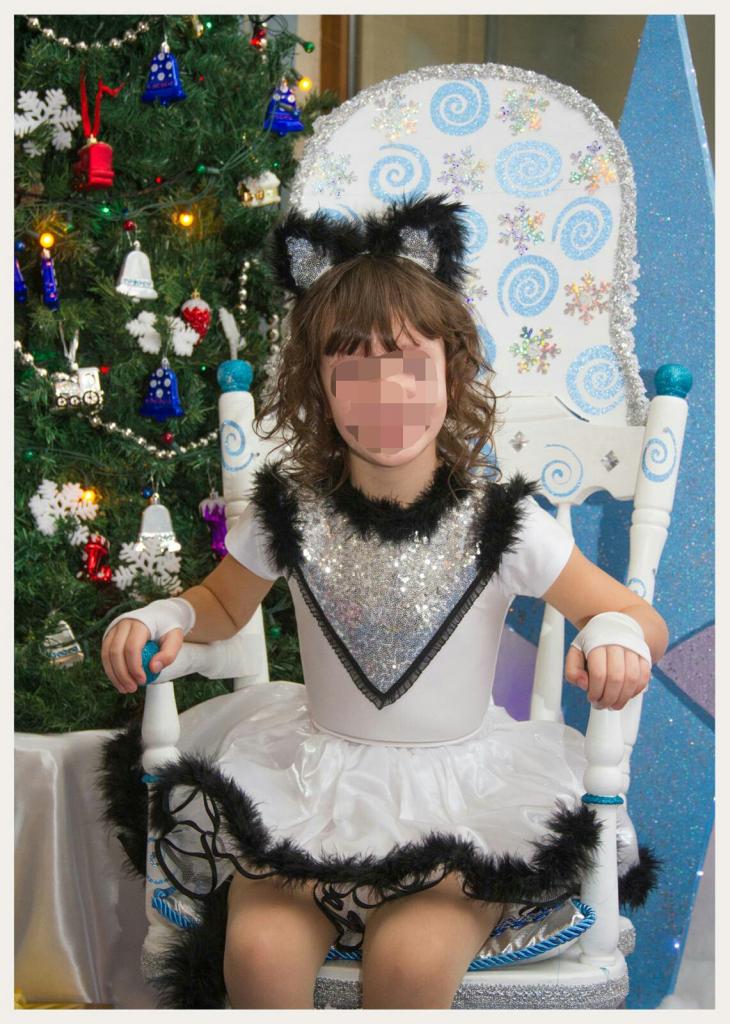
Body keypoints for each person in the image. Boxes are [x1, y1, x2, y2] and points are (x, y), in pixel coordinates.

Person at [99, 193, 667, 1010]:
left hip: (460, 807)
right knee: (256, 955)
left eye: (408, 364)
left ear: (452, 370)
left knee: (408, 965)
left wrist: (615, 632)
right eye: (354, 370)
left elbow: (638, 617)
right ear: (319, 387)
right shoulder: (291, 514)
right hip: (310, 788)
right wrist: (165, 616)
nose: (385, 392)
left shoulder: (502, 524)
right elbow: (220, 606)